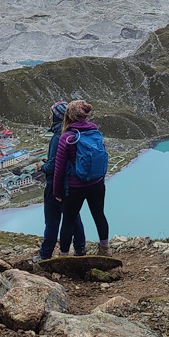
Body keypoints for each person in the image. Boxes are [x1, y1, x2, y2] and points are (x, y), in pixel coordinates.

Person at [53, 99, 110, 256]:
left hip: (75, 187)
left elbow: (59, 168)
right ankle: (105, 249)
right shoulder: (95, 132)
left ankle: (64, 256)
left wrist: (56, 191)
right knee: (99, 215)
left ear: (69, 115)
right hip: (97, 183)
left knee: (68, 221)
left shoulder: (67, 137)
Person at [33, 101, 85, 262]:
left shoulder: (58, 136)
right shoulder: (75, 133)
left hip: (55, 186)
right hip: (72, 184)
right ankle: (80, 248)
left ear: (57, 116)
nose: (49, 116)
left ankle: (45, 254)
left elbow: (54, 167)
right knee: (73, 217)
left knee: (52, 221)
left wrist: (42, 166)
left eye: (51, 113)